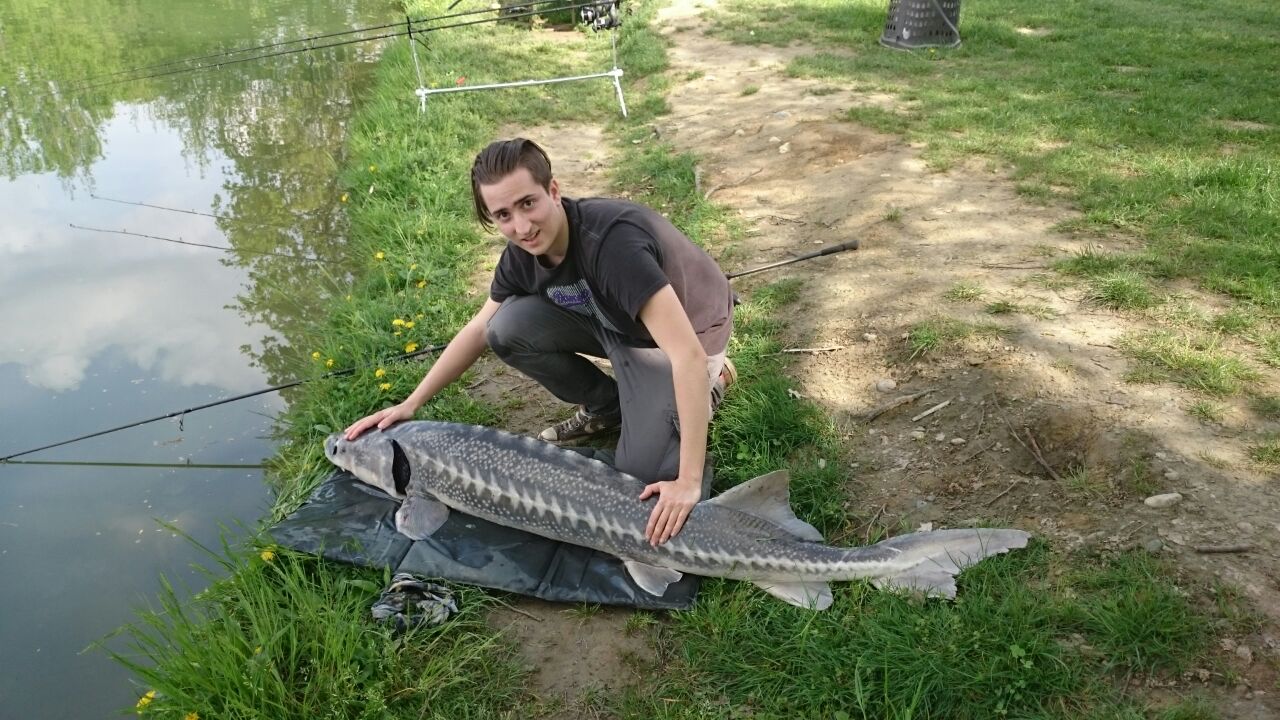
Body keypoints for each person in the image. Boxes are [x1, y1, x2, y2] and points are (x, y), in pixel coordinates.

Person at [344, 138, 734, 546]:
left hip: (683, 335)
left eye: (528, 204)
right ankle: (609, 406)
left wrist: (688, 481)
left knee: (642, 478)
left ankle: (714, 382)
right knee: (505, 327)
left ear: (553, 190)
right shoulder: (521, 254)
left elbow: (686, 355)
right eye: (503, 215)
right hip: (612, 317)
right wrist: (410, 404)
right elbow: (479, 330)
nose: (522, 227)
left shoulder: (613, 245)